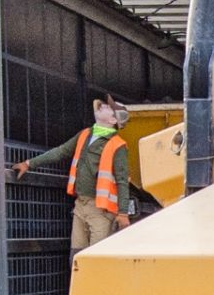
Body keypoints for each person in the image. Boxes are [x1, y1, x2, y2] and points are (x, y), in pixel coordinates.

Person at [13, 94, 132, 255]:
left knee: (97, 259)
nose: (103, 105)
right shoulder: (84, 135)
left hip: (101, 211)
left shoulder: (118, 146)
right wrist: (29, 164)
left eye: (108, 107)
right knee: (77, 257)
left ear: (112, 121)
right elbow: (60, 152)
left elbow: (122, 181)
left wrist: (123, 213)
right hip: (80, 206)